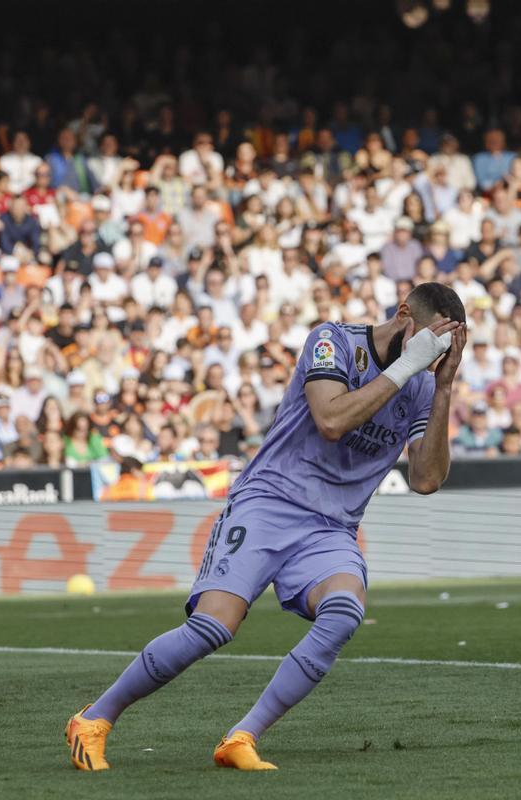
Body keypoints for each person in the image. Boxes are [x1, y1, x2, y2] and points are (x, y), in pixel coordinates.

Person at [66, 282, 468, 771]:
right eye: (429, 343)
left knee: (343, 612)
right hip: (268, 501)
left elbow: (426, 479)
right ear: (404, 313)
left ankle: (241, 738)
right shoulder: (333, 340)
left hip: (332, 528)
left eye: (441, 350)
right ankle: (94, 718)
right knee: (212, 627)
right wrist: (408, 367)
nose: (430, 358)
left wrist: (443, 384)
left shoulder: (424, 385)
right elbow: (331, 420)